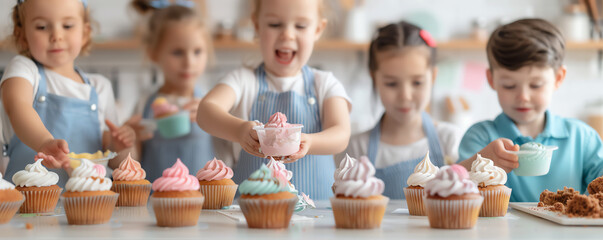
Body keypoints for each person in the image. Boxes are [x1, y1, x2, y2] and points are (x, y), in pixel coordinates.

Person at [197, 0, 351, 200]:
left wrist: (310, 142)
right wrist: (239, 130)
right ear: (257, 26)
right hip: (252, 215)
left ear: (318, 29)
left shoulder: (325, 83)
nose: (287, 34)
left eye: (301, 26)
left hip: (317, 217)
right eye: (274, 24)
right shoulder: (243, 80)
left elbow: (341, 134)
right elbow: (206, 111)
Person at [457, 18, 603, 202]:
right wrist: (479, 163)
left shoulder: (582, 139)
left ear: (558, 78)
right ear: (492, 79)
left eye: (536, 85)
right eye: (509, 86)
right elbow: (451, 186)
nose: (523, 96)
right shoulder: (481, 137)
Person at [0, 0, 136, 186]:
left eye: (68, 25)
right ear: (22, 35)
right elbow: (17, 106)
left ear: (85, 33)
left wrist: (118, 146)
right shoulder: (24, 69)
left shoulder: (100, 87)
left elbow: (111, 159)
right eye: (41, 27)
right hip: (25, 206)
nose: (56, 35)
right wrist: (44, 142)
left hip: (88, 204)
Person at [339, 21, 461, 199]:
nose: (405, 96)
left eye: (417, 83)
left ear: (433, 76)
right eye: (391, 83)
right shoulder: (356, 148)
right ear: (374, 78)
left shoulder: (450, 139)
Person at [126, 0, 214, 181]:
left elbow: (230, 154)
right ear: (154, 53)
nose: (189, 62)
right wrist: (129, 138)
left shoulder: (212, 103)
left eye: (197, 51)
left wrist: (214, 120)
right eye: (177, 52)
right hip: (156, 204)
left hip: (203, 204)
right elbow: (132, 162)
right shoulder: (144, 105)